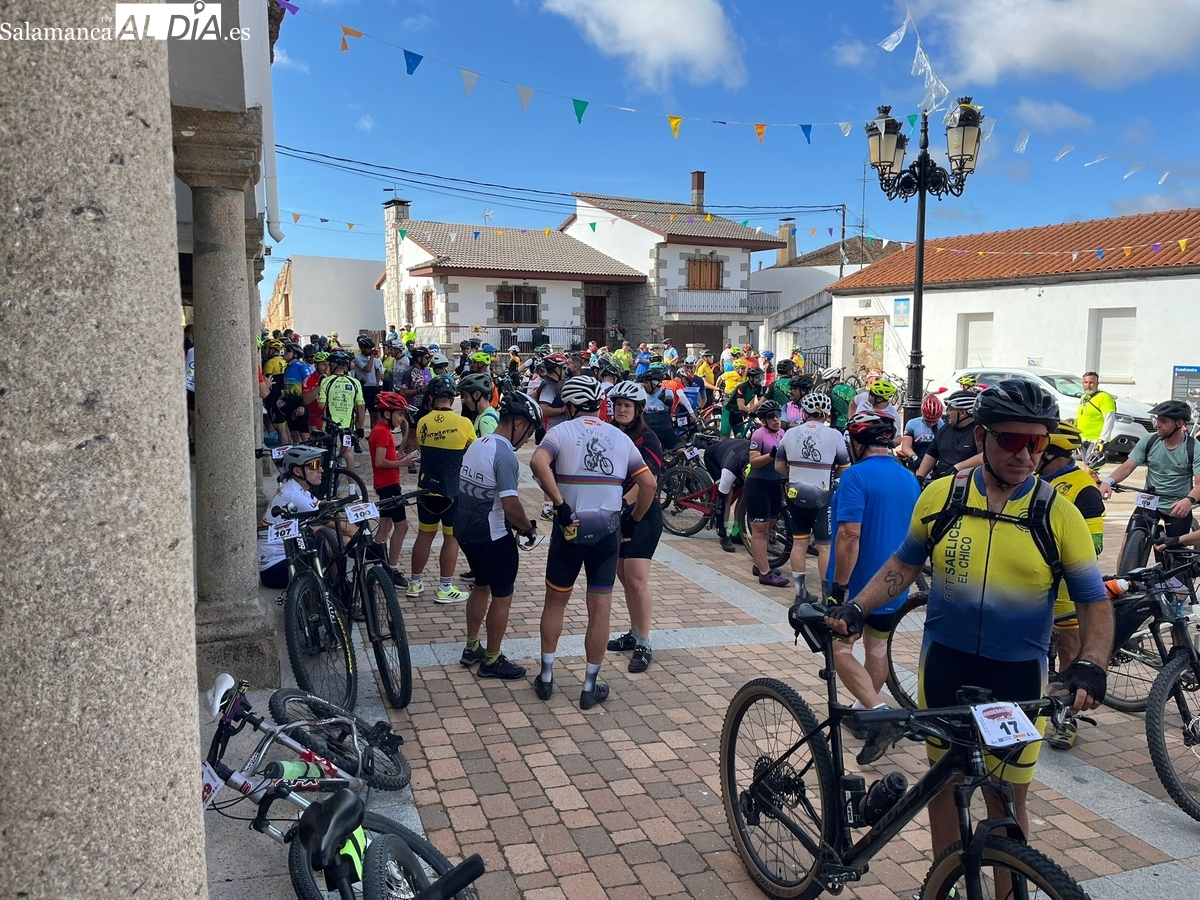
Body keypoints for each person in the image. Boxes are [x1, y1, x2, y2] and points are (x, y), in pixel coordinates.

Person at [824, 380, 1112, 870]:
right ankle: (943, 882)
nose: (1025, 455)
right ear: (981, 437)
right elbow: (904, 564)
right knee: (945, 788)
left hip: (1017, 677)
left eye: (1037, 443)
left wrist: (1091, 663)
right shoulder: (941, 496)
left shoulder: (1058, 515)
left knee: (1007, 804)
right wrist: (858, 606)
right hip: (946, 668)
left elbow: (1093, 601)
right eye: (1012, 440)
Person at [529, 377, 658, 709]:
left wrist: (559, 504)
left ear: (571, 406)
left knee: (555, 603)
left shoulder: (560, 432)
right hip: (606, 533)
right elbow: (648, 484)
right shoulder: (619, 437)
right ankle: (589, 686)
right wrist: (634, 519)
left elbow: (537, 463)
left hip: (569, 529)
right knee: (600, 609)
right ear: (599, 404)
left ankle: (546, 676)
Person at [820, 411, 918, 732]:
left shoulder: (856, 476)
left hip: (858, 583)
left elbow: (850, 535)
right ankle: (865, 711)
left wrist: (839, 587)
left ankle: (878, 713)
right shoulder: (909, 478)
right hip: (892, 584)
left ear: (858, 442)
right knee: (877, 649)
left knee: (840, 648)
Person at [456, 391, 542, 680]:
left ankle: (471, 647)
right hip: (492, 536)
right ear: (519, 424)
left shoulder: (478, 443)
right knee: (502, 596)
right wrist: (528, 528)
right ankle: (492, 659)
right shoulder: (505, 456)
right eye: (530, 431)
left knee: (481, 586)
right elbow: (511, 506)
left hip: (466, 532)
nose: (528, 439)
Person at [1037, 421, 1106, 749]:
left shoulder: (1083, 488)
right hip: (1030, 582)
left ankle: (1065, 719)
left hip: (1065, 585)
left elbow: (1095, 543)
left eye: (1038, 447)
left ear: (1051, 453)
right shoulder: (1031, 479)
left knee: (1068, 650)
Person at [604, 381, 665, 674]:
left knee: (637, 579)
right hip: (618, 512)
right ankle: (633, 631)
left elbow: (647, 481)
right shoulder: (609, 433)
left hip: (643, 513)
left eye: (627, 405)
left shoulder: (648, 439)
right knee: (624, 576)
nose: (621, 409)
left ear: (638, 409)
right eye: (618, 405)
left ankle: (644, 642)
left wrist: (622, 505)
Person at [404, 375, 475, 603]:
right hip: (451, 490)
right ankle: (445, 588)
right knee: (451, 538)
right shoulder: (464, 423)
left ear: (431, 398)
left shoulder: (423, 421)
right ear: (452, 398)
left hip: (426, 488)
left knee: (424, 535)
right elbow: (473, 451)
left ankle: (415, 583)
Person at [1099, 399, 1200, 554]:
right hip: (1149, 499)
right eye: (1157, 420)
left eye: (1163, 421)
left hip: (1178, 503)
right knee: (1128, 542)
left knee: (1174, 550)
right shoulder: (1149, 441)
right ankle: (1125, 570)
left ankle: (1177, 568)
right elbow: (1127, 467)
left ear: (1179, 424)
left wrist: (1189, 500)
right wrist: (1108, 482)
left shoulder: (1194, 448)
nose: (1157, 425)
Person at [776, 392, 849, 600]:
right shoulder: (835, 435)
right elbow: (845, 466)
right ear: (826, 414)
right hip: (823, 496)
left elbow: (779, 466)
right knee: (824, 547)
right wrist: (833, 479)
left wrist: (793, 474)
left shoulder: (790, 434)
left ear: (804, 413)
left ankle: (800, 593)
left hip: (795, 493)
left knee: (799, 543)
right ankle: (826, 595)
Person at [258, 446, 338, 588]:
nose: (321, 470)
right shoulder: (293, 495)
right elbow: (335, 522)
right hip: (275, 568)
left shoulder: (296, 487)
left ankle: (333, 585)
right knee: (337, 544)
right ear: (297, 471)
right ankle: (337, 589)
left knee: (333, 538)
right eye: (314, 465)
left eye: (320, 464)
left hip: (286, 554)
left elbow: (324, 508)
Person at [370, 392, 418, 585]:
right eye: (399, 414)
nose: (402, 419)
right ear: (387, 414)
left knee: (386, 526)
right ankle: (392, 568)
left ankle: (375, 559)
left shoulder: (381, 430)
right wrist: (402, 463)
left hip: (386, 484)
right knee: (402, 526)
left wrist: (398, 458)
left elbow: (384, 459)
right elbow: (380, 462)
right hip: (389, 485)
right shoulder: (382, 432)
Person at [744, 399, 788, 587]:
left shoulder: (782, 433)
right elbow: (754, 462)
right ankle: (764, 573)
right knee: (760, 531)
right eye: (771, 417)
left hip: (775, 484)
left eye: (778, 415)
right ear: (763, 420)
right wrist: (771, 455)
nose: (776, 419)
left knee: (769, 527)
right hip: (758, 484)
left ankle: (759, 563)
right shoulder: (759, 434)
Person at [915, 389, 982, 483]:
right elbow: (932, 454)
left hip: (965, 483)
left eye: (951, 409)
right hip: (939, 480)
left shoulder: (979, 431)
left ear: (962, 413)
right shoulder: (945, 428)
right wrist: (920, 477)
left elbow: (986, 456)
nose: (947, 413)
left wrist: (957, 468)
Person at [318, 351, 367, 470]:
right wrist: (360, 427)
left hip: (330, 425)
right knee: (348, 453)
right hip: (348, 426)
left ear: (333, 365)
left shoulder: (326, 381)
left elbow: (320, 406)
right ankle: (351, 482)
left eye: (329, 365)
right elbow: (361, 407)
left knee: (325, 452)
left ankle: (323, 478)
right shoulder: (355, 382)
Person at [704, 437, 752, 552]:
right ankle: (723, 532)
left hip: (735, 454)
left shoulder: (756, 455)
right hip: (713, 457)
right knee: (727, 495)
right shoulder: (731, 467)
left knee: (744, 493)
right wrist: (722, 531)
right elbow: (723, 498)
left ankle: (736, 531)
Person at [638, 363, 693, 451]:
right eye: (643, 382)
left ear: (654, 384)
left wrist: (664, 399)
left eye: (646, 382)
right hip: (647, 431)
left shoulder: (667, 392)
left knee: (684, 450)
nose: (643, 385)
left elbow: (670, 401)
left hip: (664, 429)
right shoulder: (641, 393)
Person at [1076, 371, 1117, 462]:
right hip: (1083, 439)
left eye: (1091, 383)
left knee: (1091, 468)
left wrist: (1102, 440)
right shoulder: (1084, 397)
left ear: (1097, 384)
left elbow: (1109, 420)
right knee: (1087, 467)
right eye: (1085, 382)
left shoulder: (1105, 397)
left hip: (1096, 440)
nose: (1088, 385)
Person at [899, 393, 945, 470]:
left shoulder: (943, 425)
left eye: (934, 421)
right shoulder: (912, 423)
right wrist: (914, 457)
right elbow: (905, 447)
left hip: (936, 461)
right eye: (928, 421)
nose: (931, 423)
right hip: (917, 459)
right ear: (922, 413)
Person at [262, 338, 290, 444]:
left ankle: (283, 452)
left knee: (280, 431)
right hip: (285, 397)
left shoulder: (270, 363)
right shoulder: (285, 361)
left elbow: (265, 382)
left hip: (274, 399)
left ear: (272, 350)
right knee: (286, 430)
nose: (264, 351)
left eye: (266, 348)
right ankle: (289, 449)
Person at [727, 366, 765, 439]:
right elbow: (741, 406)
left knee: (740, 437)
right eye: (758, 377)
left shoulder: (759, 387)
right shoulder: (742, 387)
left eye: (762, 377)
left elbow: (761, 402)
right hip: (728, 411)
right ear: (751, 378)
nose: (760, 379)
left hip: (738, 413)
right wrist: (752, 411)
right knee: (725, 437)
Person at [818, 367, 858, 432]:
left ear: (832, 379)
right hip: (852, 425)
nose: (826, 384)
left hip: (837, 426)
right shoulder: (852, 389)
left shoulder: (830, 392)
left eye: (826, 381)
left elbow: (821, 408)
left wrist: (827, 418)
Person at [459, 373, 499, 437]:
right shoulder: (484, 414)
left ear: (477, 394)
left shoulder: (485, 422)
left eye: (465, 396)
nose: (464, 400)